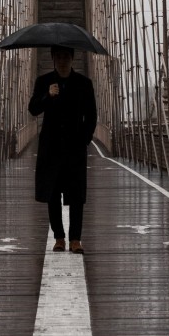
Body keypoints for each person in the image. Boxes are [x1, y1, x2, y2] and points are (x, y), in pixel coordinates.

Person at [28, 45, 97, 254]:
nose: (63, 60)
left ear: (73, 58)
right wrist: (47, 96)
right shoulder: (44, 82)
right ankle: (59, 238)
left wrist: (84, 140)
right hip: (51, 149)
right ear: (53, 58)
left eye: (66, 56)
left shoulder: (84, 84)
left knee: (77, 195)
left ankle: (76, 239)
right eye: (58, 56)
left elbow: (91, 116)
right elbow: (33, 109)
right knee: (52, 194)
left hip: (75, 149)